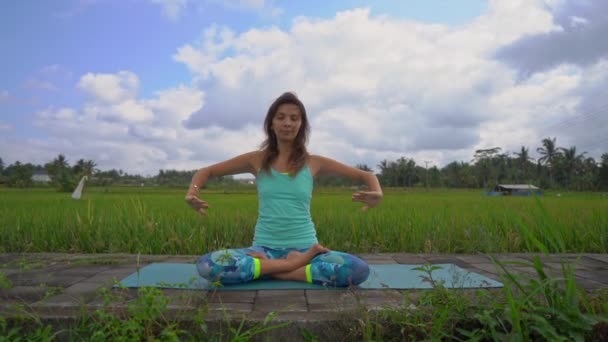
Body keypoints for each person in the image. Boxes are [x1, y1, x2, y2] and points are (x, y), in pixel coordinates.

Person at [185, 92, 383, 287]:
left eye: (294, 118)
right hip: (262, 250)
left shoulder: (314, 163)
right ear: (271, 123)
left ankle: (270, 270)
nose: (287, 123)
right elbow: (206, 171)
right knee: (207, 265)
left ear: (301, 125)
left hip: (308, 251)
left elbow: (366, 175)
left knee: (358, 270)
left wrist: (376, 192)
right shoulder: (257, 160)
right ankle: (291, 267)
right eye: (281, 117)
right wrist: (193, 192)